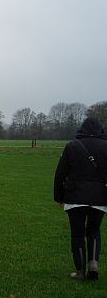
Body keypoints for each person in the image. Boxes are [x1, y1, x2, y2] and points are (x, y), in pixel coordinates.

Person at [54, 116, 107, 280]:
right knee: (94, 231)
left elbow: (60, 174)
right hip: (100, 197)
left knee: (77, 234)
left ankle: (80, 272)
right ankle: (93, 263)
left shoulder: (72, 146)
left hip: (75, 196)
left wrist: (58, 197)